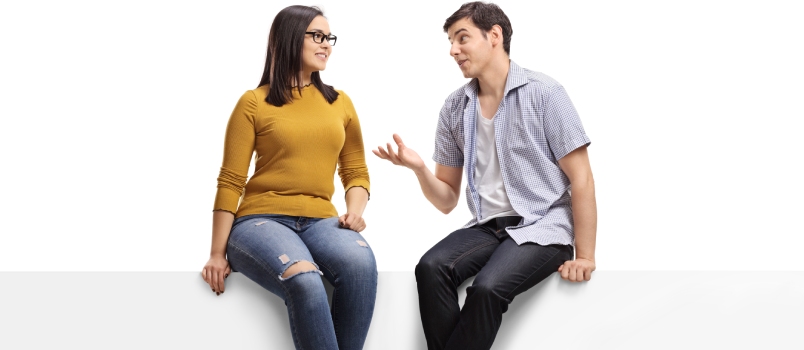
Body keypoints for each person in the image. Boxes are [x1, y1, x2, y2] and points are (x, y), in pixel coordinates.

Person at [373, 2, 597, 349]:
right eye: (450, 41)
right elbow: (446, 199)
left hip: (543, 226)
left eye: (462, 38)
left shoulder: (546, 94)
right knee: (431, 267)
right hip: (488, 227)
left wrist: (584, 256)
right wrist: (418, 168)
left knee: (487, 288)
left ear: (495, 35)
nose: (453, 50)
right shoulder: (454, 107)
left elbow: (581, 178)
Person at [200, 5, 377, 350]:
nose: (326, 45)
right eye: (317, 36)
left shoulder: (340, 103)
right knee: (305, 278)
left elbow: (355, 169)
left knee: (361, 267)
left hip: (322, 220)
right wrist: (217, 253)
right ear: (289, 39)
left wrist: (355, 210)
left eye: (329, 38)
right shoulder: (254, 102)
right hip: (260, 221)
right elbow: (230, 181)